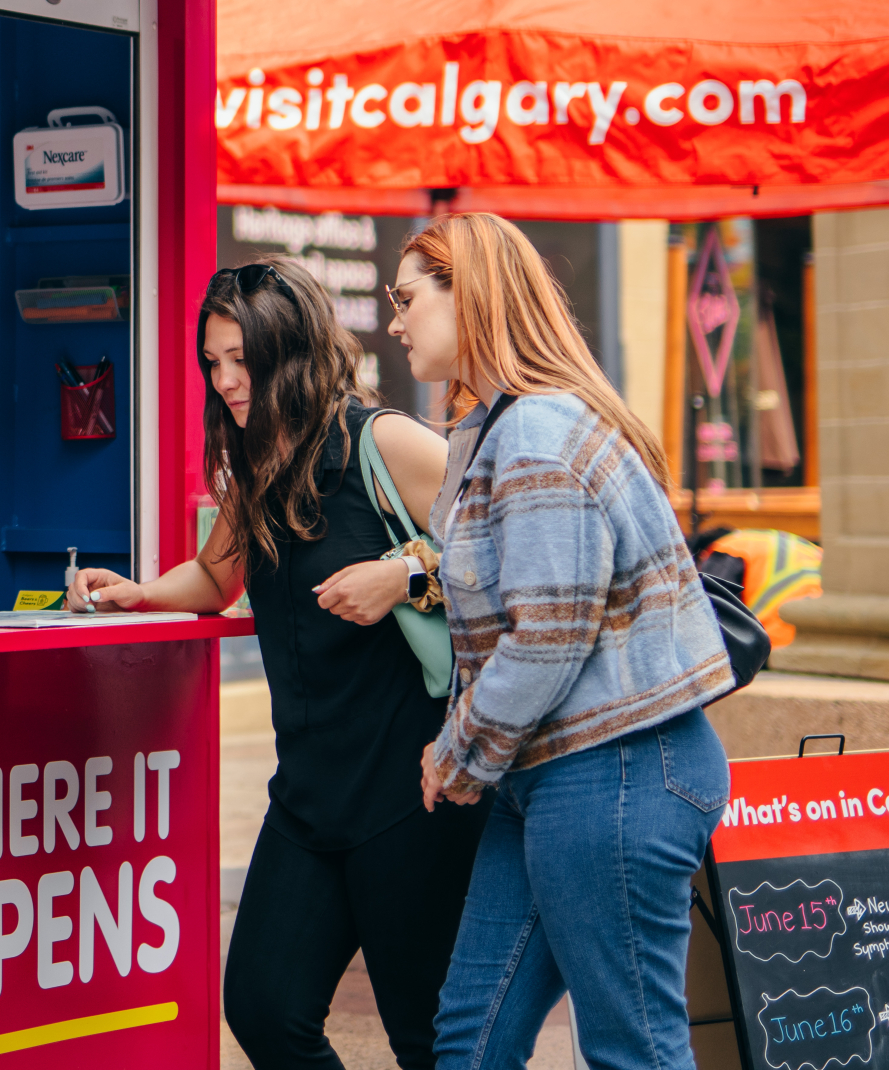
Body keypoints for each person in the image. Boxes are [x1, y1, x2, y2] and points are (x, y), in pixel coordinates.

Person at [75, 263, 483, 1070]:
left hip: (412, 792)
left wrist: (403, 574)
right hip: (308, 796)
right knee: (264, 1008)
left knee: (428, 1040)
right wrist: (140, 594)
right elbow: (216, 576)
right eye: (212, 362)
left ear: (290, 352)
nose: (224, 380)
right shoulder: (257, 460)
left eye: (241, 359)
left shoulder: (385, 442)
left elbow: (505, 547)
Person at [387, 214, 732, 1070]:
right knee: (471, 1040)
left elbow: (546, 638)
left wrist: (456, 752)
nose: (394, 322)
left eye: (406, 298)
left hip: (614, 771)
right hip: (551, 772)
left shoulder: (537, 433)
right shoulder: (495, 428)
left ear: (469, 296)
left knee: (632, 1051)